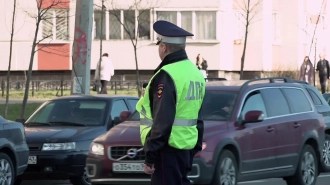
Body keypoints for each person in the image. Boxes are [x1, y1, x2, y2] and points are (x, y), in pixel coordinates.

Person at [135, 20, 206, 185]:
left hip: (167, 151)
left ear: (164, 47)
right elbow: (198, 116)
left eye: (159, 45)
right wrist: (194, 147)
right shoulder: (195, 73)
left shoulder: (167, 75)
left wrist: (150, 156)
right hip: (185, 150)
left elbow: (162, 120)